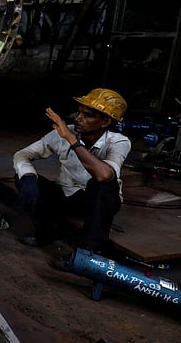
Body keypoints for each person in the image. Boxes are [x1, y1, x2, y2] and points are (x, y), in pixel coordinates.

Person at [12, 88, 131, 256]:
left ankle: (87, 251)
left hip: (97, 202)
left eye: (87, 115)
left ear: (104, 122)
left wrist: (71, 139)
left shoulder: (119, 142)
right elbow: (23, 154)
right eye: (79, 112)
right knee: (23, 177)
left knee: (103, 186)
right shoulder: (65, 131)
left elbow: (104, 175)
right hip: (67, 195)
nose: (78, 118)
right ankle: (47, 232)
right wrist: (28, 177)